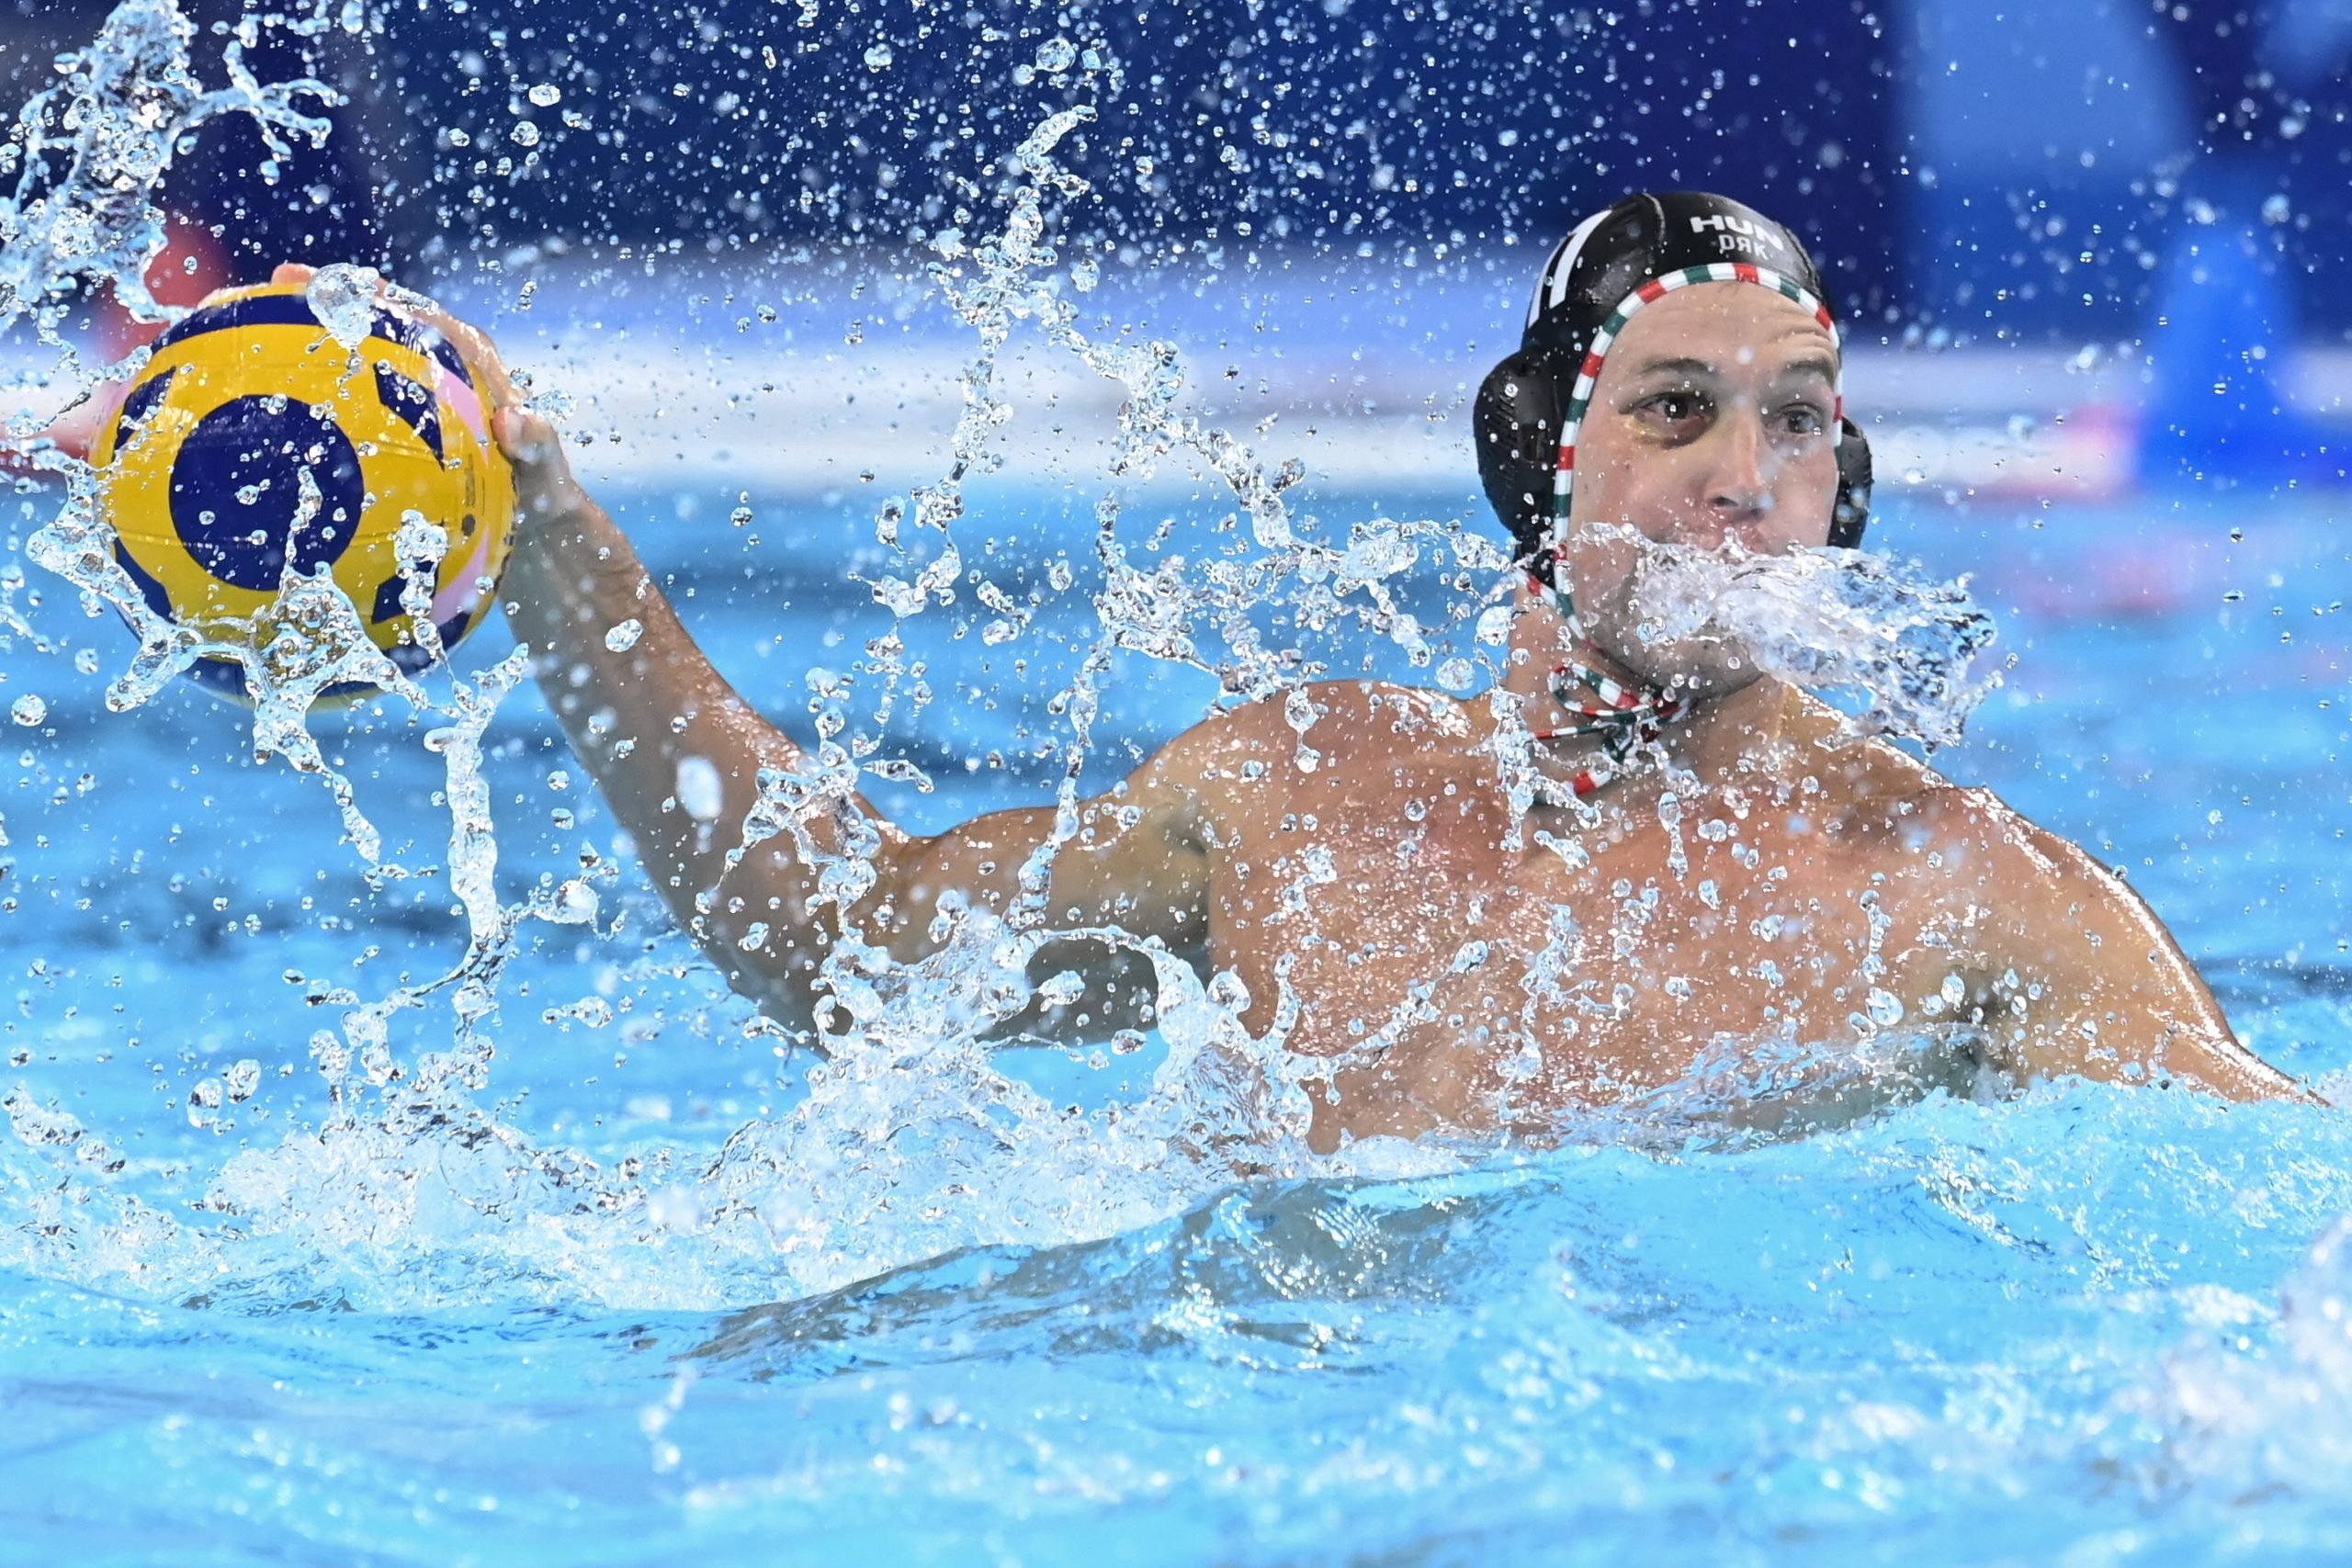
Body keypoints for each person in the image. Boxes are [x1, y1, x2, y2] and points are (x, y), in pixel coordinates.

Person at [334, 189, 2314, 1148]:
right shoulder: (1298, 793)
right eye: (1680, 411)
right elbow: (834, 940)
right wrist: (561, 545)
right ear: (1535, 459)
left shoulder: (1963, 896)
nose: (1747, 483)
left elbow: (2274, 1197)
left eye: (1799, 422)